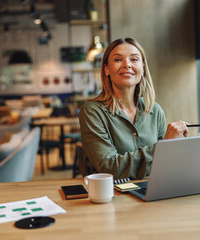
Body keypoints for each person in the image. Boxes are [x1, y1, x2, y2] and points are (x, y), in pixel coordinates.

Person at [79, 38, 188, 179]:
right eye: (118, 60)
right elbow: (109, 167)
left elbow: (165, 165)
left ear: (142, 68)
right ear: (106, 69)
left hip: (152, 191)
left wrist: (178, 148)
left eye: (134, 59)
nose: (127, 65)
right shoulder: (92, 112)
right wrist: (162, 147)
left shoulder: (154, 110)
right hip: (113, 196)